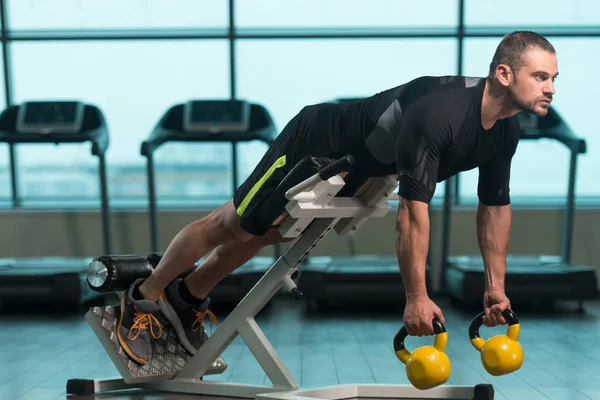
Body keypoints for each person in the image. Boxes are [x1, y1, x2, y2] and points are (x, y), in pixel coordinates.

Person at [115, 30, 558, 365]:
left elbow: (494, 209)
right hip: (314, 143)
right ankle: (144, 296)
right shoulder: (439, 114)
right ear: (504, 73)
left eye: (553, 78)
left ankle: (189, 296)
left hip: (358, 167)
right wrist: (416, 298)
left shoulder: (505, 129)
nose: (550, 88)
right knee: (234, 225)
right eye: (540, 77)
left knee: (268, 236)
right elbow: (412, 217)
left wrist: (495, 289)